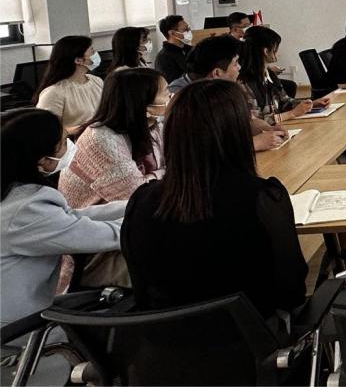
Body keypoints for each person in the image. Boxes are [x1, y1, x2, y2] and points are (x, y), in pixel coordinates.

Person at [121, 79, 308, 319]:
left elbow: (141, 291)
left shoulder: (141, 201)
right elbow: (292, 292)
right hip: (251, 335)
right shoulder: (263, 198)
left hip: (163, 337)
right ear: (237, 133)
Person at [1, 108, 125, 329]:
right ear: (43, 160)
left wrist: (134, 205)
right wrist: (147, 219)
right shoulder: (26, 210)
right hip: (17, 328)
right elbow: (105, 236)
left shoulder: (14, 195)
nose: (70, 145)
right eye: (63, 142)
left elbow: (70, 218)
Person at [59, 69, 168, 212]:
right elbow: (136, 195)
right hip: (91, 217)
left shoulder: (155, 125)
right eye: (165, 92)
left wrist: (155, 176)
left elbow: (179, 164)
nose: (170, 96)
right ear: (144, 105)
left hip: (130, 209)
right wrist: (163, 174)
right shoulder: (101, 139)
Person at [168, 35, 288, 151]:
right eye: (235, 63)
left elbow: (248, 120)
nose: (239, 68)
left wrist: (268, 128)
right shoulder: (181, 98)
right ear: (217, 73)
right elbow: (200, 148)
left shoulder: (223, 90)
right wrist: (254, 144)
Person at [238, 26, 329, 125]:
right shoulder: (245, 82)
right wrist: (291, 114)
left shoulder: (270, 74)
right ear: (266, 51)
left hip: (277, 128)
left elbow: (285, 102)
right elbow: (255, 122)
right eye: (276, 48)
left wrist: (311, 104)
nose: (279, 52)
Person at [34, 35, 104, 135]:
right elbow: (46, 130)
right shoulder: (54, 93)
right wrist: (84, 129)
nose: (95, 54)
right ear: (78, 60)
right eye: (92, 51)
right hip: (75, 141)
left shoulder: (96, 81)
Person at [154, 14, 192, 83]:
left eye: (189, 29)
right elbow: (172, 84)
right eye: (185, 30)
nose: (189, 32)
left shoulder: (191, 49)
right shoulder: (163, 58)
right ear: (172, 33)